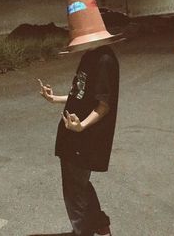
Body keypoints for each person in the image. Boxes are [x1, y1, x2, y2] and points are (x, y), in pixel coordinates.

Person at [39, 43, 119, 236]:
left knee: (74, 191)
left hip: (84, 139)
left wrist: (82, 126)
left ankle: (83, 232)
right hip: (72, 135)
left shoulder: (104, 60)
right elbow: (80, 94)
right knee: (79, 184)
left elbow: (104, 104)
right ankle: (100, 225)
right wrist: (54, 98)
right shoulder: (90, 55)